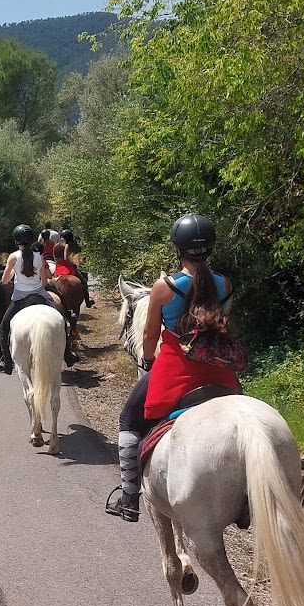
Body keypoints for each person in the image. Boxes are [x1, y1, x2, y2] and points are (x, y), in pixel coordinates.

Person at [105, 213, 239, 521]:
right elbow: (221, 327)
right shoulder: (225, 284)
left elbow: (150, 334)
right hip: (220, 371)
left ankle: (129, 496)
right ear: (211, 248)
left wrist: (149, 360)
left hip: (175, 371)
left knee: (128, 420)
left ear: (177, 248)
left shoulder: (164, 287)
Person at [0, 224, 64, 373]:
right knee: (60, 317)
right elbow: (44, 283)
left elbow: (5, 281)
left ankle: (6, 363)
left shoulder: (13, 257)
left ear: (16, 240)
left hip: (20, 297)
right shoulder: (39, 256)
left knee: (3, 327)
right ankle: (67, 353)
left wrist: (13, 273)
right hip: (39, 294)